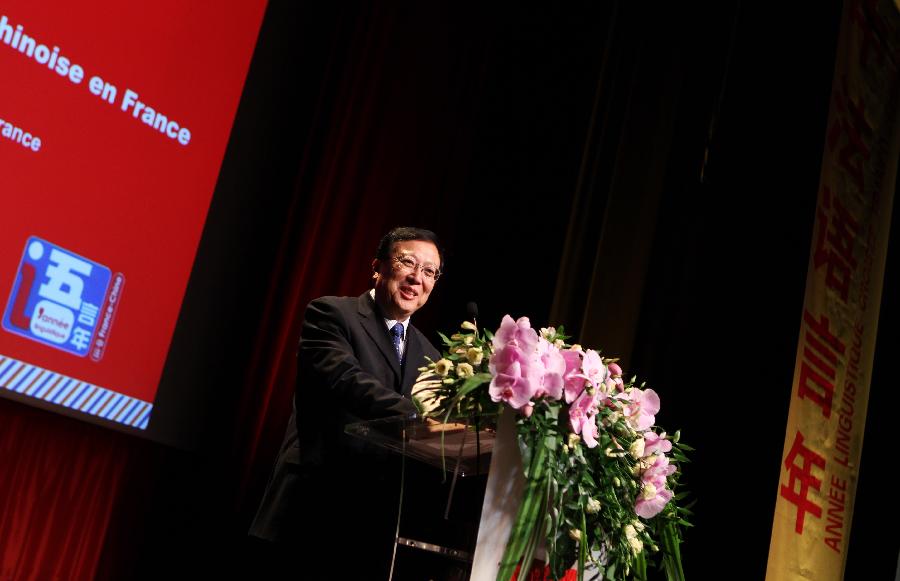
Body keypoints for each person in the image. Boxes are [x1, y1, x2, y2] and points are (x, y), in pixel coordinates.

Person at [248, 226, 444, 579]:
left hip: (372, 526)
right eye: (408, 263)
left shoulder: (430, 355)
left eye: (429, 272)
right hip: (311, 507)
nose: (417, 278)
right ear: (377, 267)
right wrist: (418, 416)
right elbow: (346, 379)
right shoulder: (331, 314)